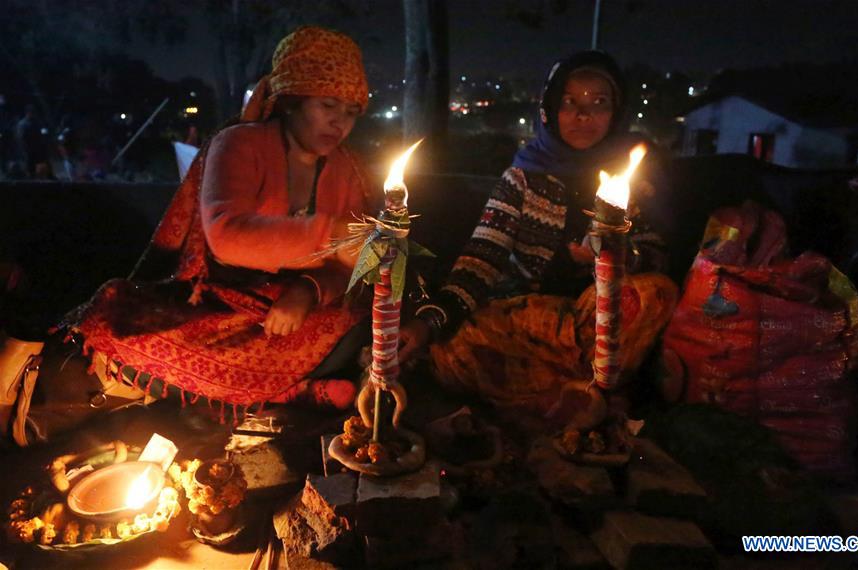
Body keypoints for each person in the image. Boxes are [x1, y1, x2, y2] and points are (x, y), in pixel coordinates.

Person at [62, 26, 376, 417]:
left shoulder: (348, 169)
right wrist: (330, 233)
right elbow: (227, 235)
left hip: (298, 314)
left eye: (351, 113)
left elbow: (352, 265)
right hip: (220, 302)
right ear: (291, 101)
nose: (339, 123)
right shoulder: (239, 144)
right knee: (117, 320)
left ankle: (270, 391)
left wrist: (309, 289)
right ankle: (291, 392)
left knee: (357, 323)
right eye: (328, 106)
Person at [399, 51, 679, 411]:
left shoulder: (627, 179)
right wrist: (430, 321)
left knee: (656, 293)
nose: (583, 115)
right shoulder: (521, 179)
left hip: (594, 318)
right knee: (455, 350)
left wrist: (616, 256)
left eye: (599, 102)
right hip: (526, 319)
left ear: (616, 111)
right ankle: (589, 392)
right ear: (549, 109)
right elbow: (482, 258)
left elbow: (655, 255)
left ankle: (558, 392)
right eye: (569, 102)